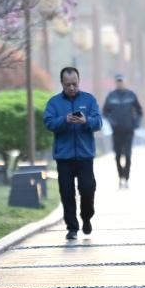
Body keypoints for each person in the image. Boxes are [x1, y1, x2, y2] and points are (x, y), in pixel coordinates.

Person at [43, 66, 102, 240]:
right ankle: (72, 227)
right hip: (64, 157)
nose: (71, 87)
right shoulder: (54, 102)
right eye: (68, 84)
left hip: (85, 156)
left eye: (74, 84)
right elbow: (48, 123)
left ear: (79, 81)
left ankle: (86, 217)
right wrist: (65, 120)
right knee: (67, 193)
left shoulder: (89, 100)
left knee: (88, 189)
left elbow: (98, 122)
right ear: (61, 83)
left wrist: (86, 121)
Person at [102, 73, 142, 188]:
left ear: (124, 81)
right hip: (116, 132)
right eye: (118, 81)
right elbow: (105, 112)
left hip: (129, 131)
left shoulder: (131, 95)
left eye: (121, 81)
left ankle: (127, 178)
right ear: (116, 82)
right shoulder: (111, 96)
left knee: (128, 156)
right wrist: (111, 122)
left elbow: (139, 111)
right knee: (118, 156)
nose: (120, 83)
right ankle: (120, 178)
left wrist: (136, 123)